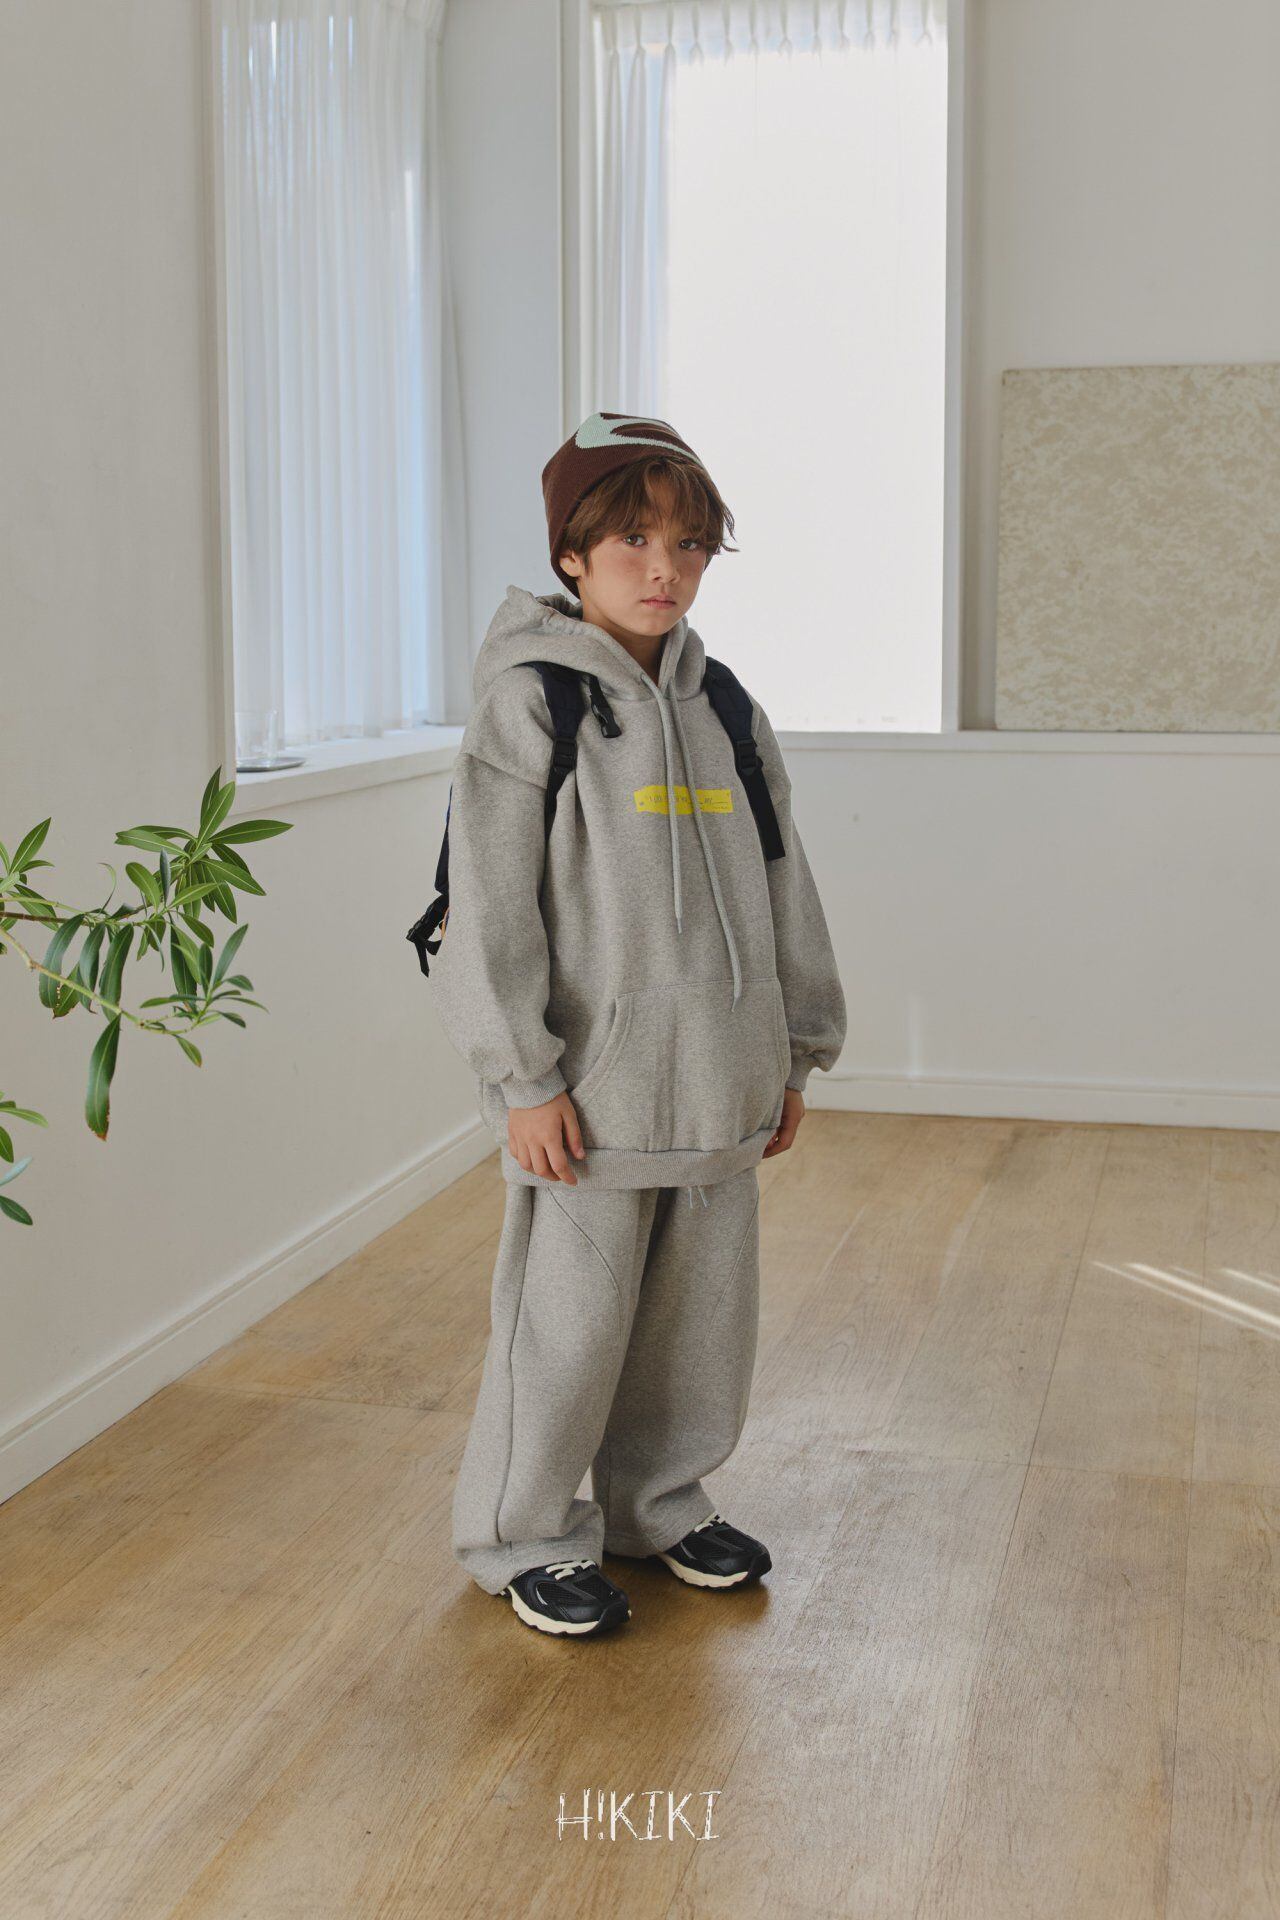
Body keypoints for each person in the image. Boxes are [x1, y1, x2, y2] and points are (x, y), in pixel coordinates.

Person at [431, 411, 846, 1636]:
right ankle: (519, 1534)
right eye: (631, 542)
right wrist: (522, 1077)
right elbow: (486, 910)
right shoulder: (532, 704)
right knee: (563, 1331)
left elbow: (783, 883)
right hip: (591, 1092)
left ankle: (656, 1506)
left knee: (698, 1325)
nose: (663, 569)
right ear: (570, 553)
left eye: (688, 544)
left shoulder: (724, 703)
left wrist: (793, 1049)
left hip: (722, 1073)